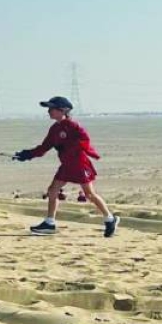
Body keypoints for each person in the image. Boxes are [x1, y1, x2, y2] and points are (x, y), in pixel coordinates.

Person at [14, 96, 118, 238]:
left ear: (62, 110)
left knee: (89, 194)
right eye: (48, 108)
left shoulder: (73, 126)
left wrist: (70, 147)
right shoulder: (54, 128)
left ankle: (110, 219)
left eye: (52, 108)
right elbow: (44, 148)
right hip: (66, 165)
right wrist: (26, 155)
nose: (49, 111)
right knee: (52, 190)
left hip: (79, 164)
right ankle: (49, 223)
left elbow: (85, 140)